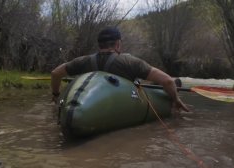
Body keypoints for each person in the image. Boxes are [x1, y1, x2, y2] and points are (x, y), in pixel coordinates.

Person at [51, 27, 189, 114]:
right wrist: (176, 99)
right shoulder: (130, 62)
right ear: (118, 43)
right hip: (122, 105)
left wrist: (56, 95)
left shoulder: (82, 61)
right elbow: (167, 81)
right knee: (168, 83)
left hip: (96, 105)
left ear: (99, 44)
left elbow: (55, 73)